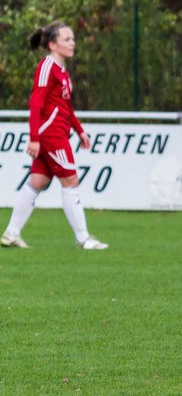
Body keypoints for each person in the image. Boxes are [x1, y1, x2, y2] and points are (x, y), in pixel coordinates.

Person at [2, 21, 109, 251]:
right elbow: (36, 101)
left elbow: (66, 108)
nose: (73, 43)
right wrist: (34, 137)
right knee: (71, 181)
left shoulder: (61, 71)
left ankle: (11, 234)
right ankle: (83, 239)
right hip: (51, 136)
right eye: (67, 39)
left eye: (73, 39)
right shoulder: (47, 66)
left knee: (37, 181)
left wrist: (79, 131)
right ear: (53, 44)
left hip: (56, 134)